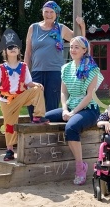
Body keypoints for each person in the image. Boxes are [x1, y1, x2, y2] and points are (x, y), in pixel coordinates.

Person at [0, 29, 48, 161]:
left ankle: (37, 116)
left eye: (15, 47)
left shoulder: (24, 66)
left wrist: (36, 84)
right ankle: (9, 149)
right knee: (9, 125)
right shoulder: (1, 68)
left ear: (18, 51)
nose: (12, 49)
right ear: (5, 51)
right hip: (7, 100)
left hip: (21, 96)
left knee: (38, 89)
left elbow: (28, 83)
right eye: (9, 47)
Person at [44, 36, 103, 185]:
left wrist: (73, 113)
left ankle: (80, 167)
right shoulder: (66, 68)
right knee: (45, 117)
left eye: (77, 47)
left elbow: (89, 96)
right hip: (70, 105)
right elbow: (63, 92)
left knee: (71, 127)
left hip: (88, 108)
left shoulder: (92, 69)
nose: (73, 49)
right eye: (71, 46)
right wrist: (64, 109)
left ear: (85, 50)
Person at [24, 0, 86, 115]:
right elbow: (28, 52)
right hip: (36, 71)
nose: (48, 15)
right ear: (42, 12)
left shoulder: (61, 28)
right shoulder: (33, 28)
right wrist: (24, 73)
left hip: (55, 72)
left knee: (51, 107)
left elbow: (80, 42)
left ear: (56, 14)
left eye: (51, 12)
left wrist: (82, 26)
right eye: (46, 11)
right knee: (33, 104)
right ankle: (33, 129)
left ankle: (50, 131)